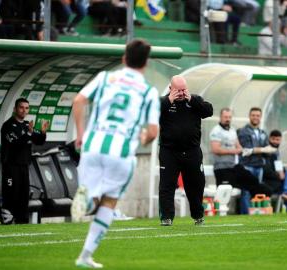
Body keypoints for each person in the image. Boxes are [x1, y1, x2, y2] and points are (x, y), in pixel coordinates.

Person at [71, 39, 159, 268]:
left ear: (124, 58)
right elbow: (152, 131)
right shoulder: (149, 91)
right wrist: (142, 139)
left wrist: (81, 134)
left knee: (93, 194)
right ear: (146, 63)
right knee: (110, 201)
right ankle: (85, 255)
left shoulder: (104, 78)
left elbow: (79, 101)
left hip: (93, 145)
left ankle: (88, 200)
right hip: (121, 151)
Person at [158, 75, 213, 226]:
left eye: (184, 90)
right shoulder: (163, 102)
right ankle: (166, 217)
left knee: (196, 184)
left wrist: (192, 101)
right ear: (171, 89)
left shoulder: (194, 100)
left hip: (192, 151)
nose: (181, 93)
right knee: (167, 185)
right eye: (178, 91)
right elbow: (150, 113)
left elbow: (209, 111)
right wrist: (168, 101)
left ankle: (198, 216)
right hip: (169, 152)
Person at [210, 108, 274, 207]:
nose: (228, 119)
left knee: (254, 182)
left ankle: (260, 205)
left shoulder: (232, 130)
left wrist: (237, 150)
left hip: (234, 166)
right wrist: (234, 151)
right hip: (222, 168)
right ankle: (220, 212)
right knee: (225, 193)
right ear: (221, 117)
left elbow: (239, 147)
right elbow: (216, 149)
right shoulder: (216, 130)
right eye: (225, 117)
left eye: (229, 117)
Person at [1, 98, 48, 224]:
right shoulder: (8, 126)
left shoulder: (27, 125)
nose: (24, 110)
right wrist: (28, 134)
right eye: (21, 107)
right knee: (11, 196)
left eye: (26, 108)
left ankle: (23, 223)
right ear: (15, 109)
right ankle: (7, 222)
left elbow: (39, 140)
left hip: (24, 167)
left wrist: (43, 132)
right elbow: (16, 143)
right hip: (11, 167)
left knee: (23, 197)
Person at [237, 107, 272, 213]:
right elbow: (247, 150)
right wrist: (263, 149)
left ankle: (256, 214)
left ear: (260, 117)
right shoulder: (243, 131)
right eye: (253, 115)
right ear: (249, 116)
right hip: (247, 166)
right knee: (246, 191)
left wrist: (263, 150)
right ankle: (246, 215)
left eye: (257, 115)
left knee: (258, 192)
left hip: (259, 166)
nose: (255, 117)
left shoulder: (263, 132)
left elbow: (269, 150)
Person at [263, 130, 287, 211]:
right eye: (273, 139)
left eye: (278, 140)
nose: (275, 142)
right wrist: (278, 175)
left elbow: (279, 168)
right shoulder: (266, 151)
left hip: (279, 181)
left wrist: (281, 173)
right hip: (270, 183)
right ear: (269, 139)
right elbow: (266, 171)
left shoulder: (276, 153)